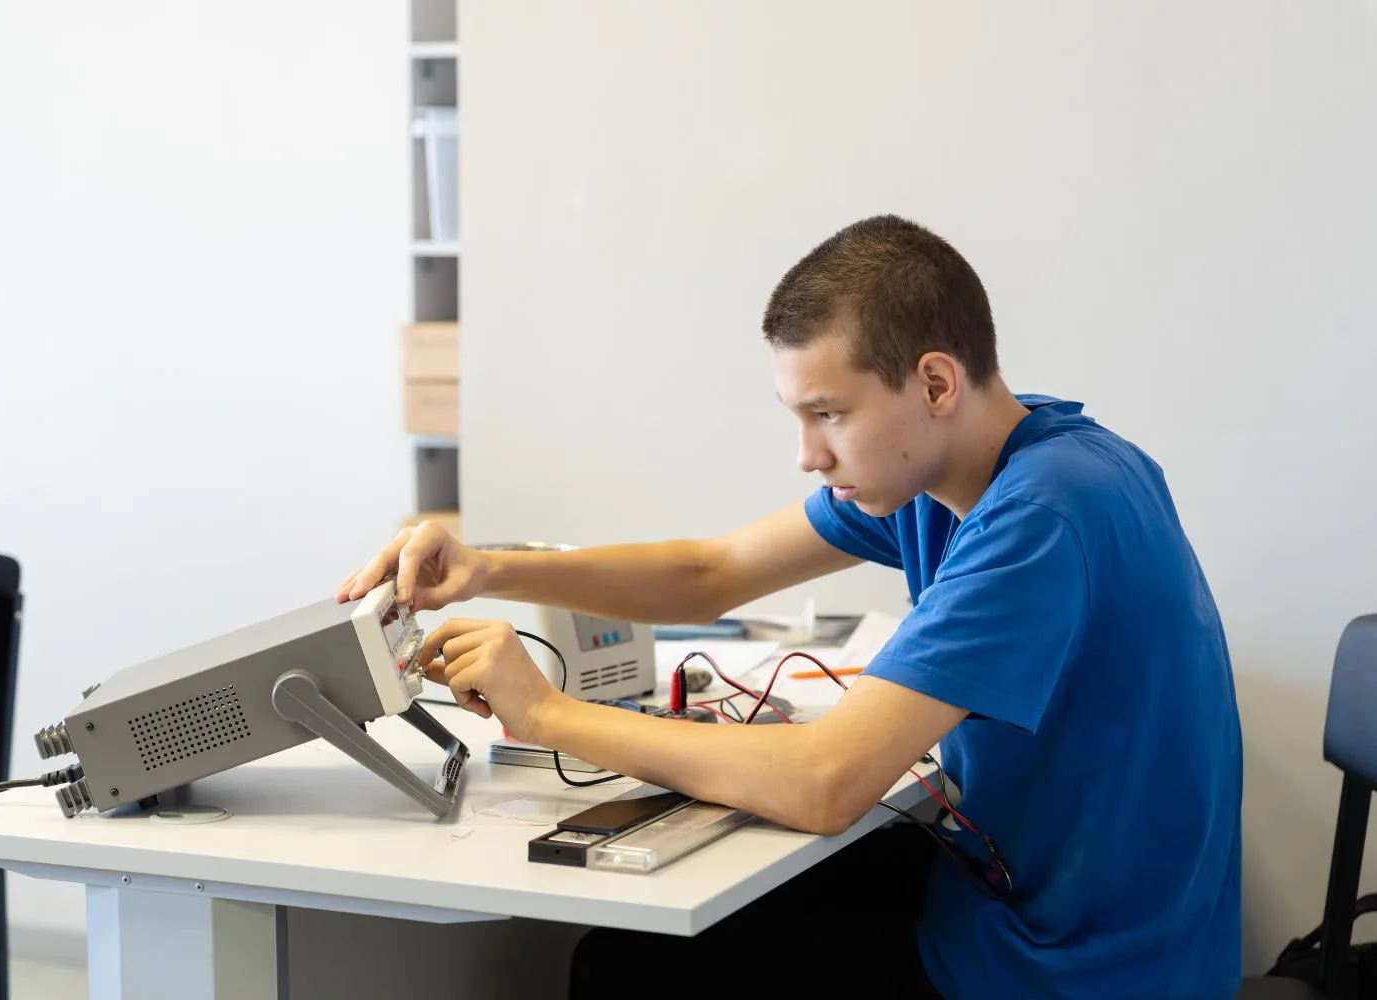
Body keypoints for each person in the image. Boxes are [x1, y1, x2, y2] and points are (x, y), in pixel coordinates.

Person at [336, 215, 1243, 999]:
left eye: (829, 415)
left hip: (1075, 972)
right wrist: (487, 568)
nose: (808, 454)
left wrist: (547, 715)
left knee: (624, 967)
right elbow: (710, 574)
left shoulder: (1042, 514)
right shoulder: (979, 462)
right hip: (1044, 903)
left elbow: (824, 783)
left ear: (935, 383)